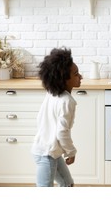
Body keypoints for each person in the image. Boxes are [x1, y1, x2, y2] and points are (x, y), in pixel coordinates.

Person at [31, 47, 82, 187]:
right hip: (46, 155)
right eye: (76, 74)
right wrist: (71, 152)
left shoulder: (51, 94)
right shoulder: (67, 101)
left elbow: (40, 119)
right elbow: (62, 132)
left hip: (51, 151)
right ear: (64, 78)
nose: (80, 76)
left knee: (67, 184)